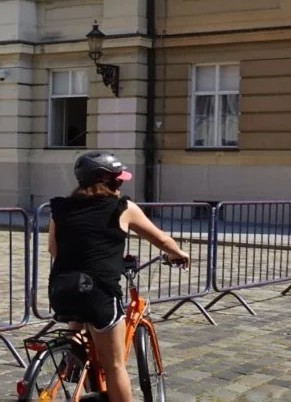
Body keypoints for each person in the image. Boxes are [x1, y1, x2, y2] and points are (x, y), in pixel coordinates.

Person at [46, 150, 191, 402]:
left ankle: (74, 363)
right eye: (118, 180)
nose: (120, 185)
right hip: (99, 293)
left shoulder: (60, 208)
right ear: (110, 182)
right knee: (114, 366)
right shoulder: (122, 208)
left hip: (62, 289)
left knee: (79, 323)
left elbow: (53, 249)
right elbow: (161, 240)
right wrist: (178, 253)